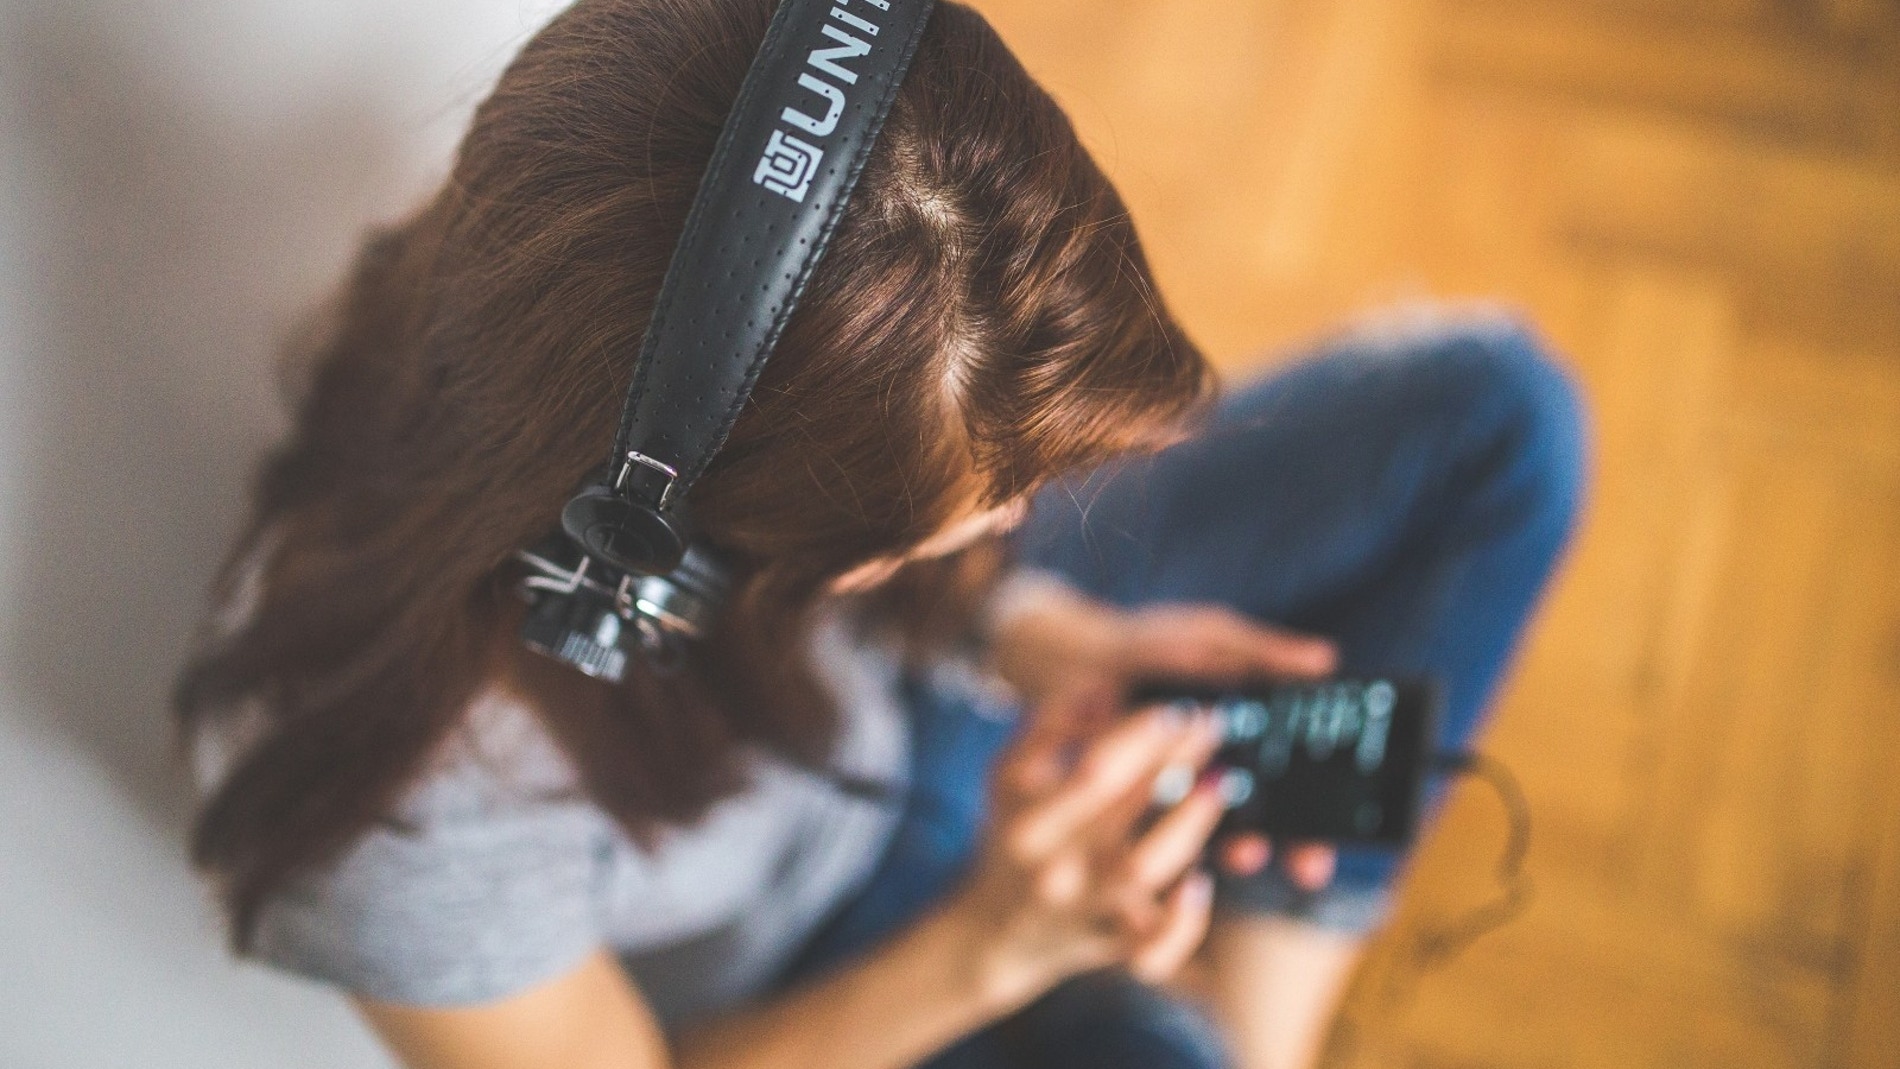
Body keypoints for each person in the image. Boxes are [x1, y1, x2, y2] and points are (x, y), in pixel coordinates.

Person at [176, 1, 1588, 1068]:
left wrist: (1018, 624)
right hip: (851, 964)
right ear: (655, 557)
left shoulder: (603, 246)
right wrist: (997, 943)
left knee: (1498, 418)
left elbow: (937, 526)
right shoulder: (392, 816)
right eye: (947, 522)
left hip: (922, 691)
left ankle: (1240, 1024)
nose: (1024, 521)